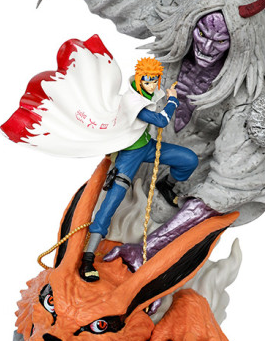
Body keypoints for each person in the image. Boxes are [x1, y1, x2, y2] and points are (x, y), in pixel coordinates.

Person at [80, 57, 198, 282]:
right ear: (138, 79)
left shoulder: (148, 92)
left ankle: (167, 184)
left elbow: (158, 96)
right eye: (147, 81)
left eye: (154, 81)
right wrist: (173, 100)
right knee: (111, 203)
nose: (151, 85)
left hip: (147, 146)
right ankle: (88, 257)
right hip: (129, 155)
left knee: (188, 159)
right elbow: (161, 121)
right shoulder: (132, 101)